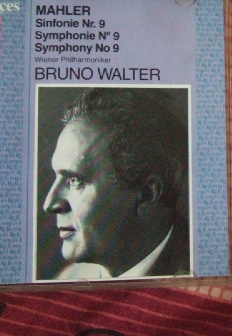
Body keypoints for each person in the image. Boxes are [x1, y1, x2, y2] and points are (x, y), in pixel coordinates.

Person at [42, 87, 190, 279]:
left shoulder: (203, 272)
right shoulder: (70, 277)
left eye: (75, 180)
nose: (50, 204)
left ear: (146, 195)